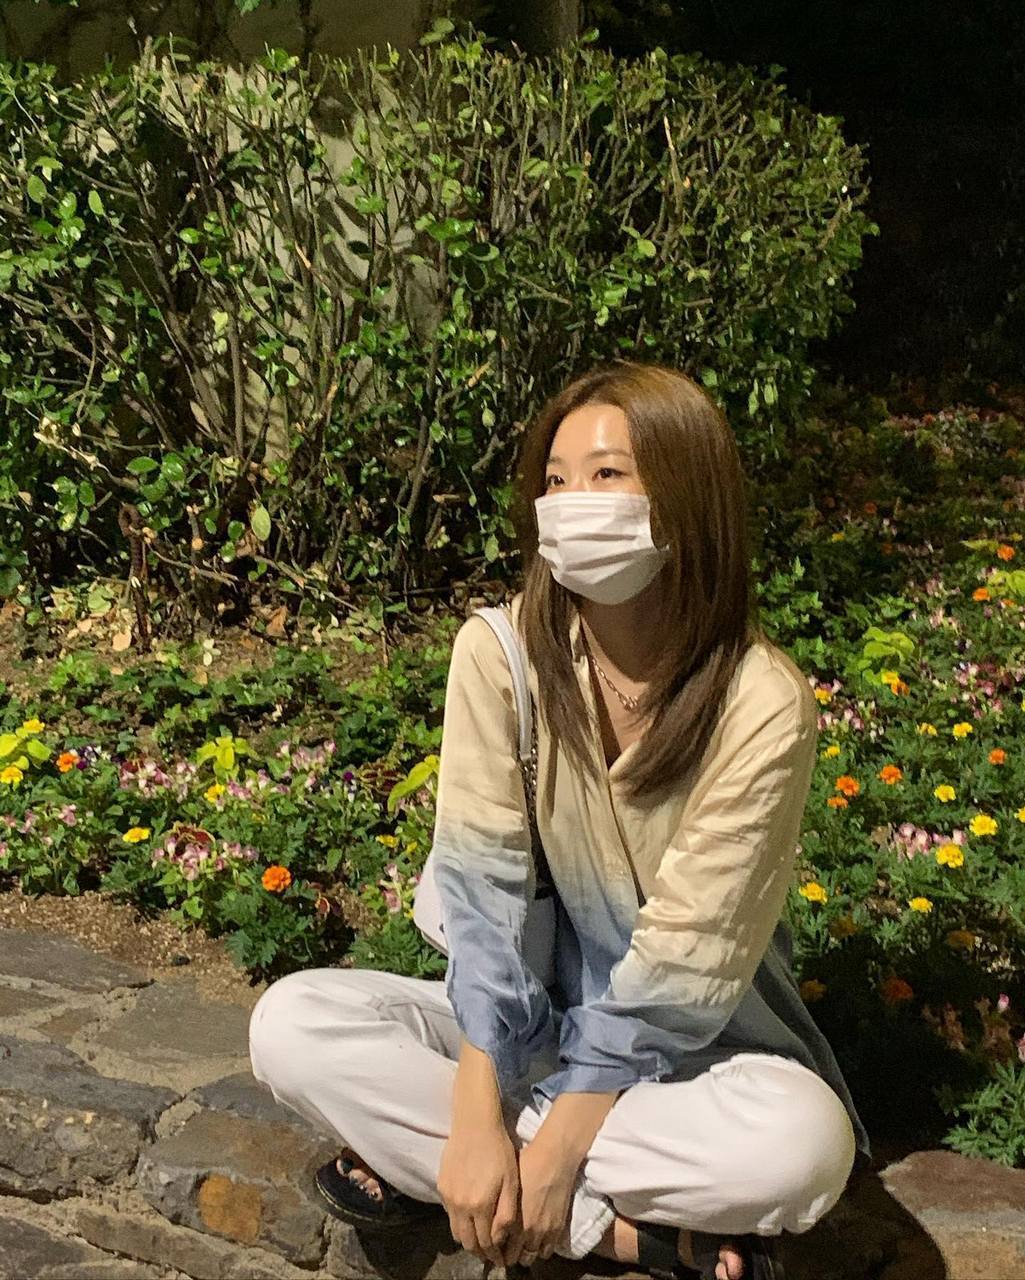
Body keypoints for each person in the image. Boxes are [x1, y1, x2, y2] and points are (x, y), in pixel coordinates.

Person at [249, 362, 871, 1280]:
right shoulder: (500, 656)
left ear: (685, 498)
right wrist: (474, 1117)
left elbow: (685, 962)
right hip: (524, 1036)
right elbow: (485, 907)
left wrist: (550, 1148)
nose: (571, 502)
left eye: (606, 474)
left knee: (799, 1146)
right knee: (291, 1025)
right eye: (554, 479)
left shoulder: (759, 701)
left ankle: (447, 1170)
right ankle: (625, 1234)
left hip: (692, 1060)